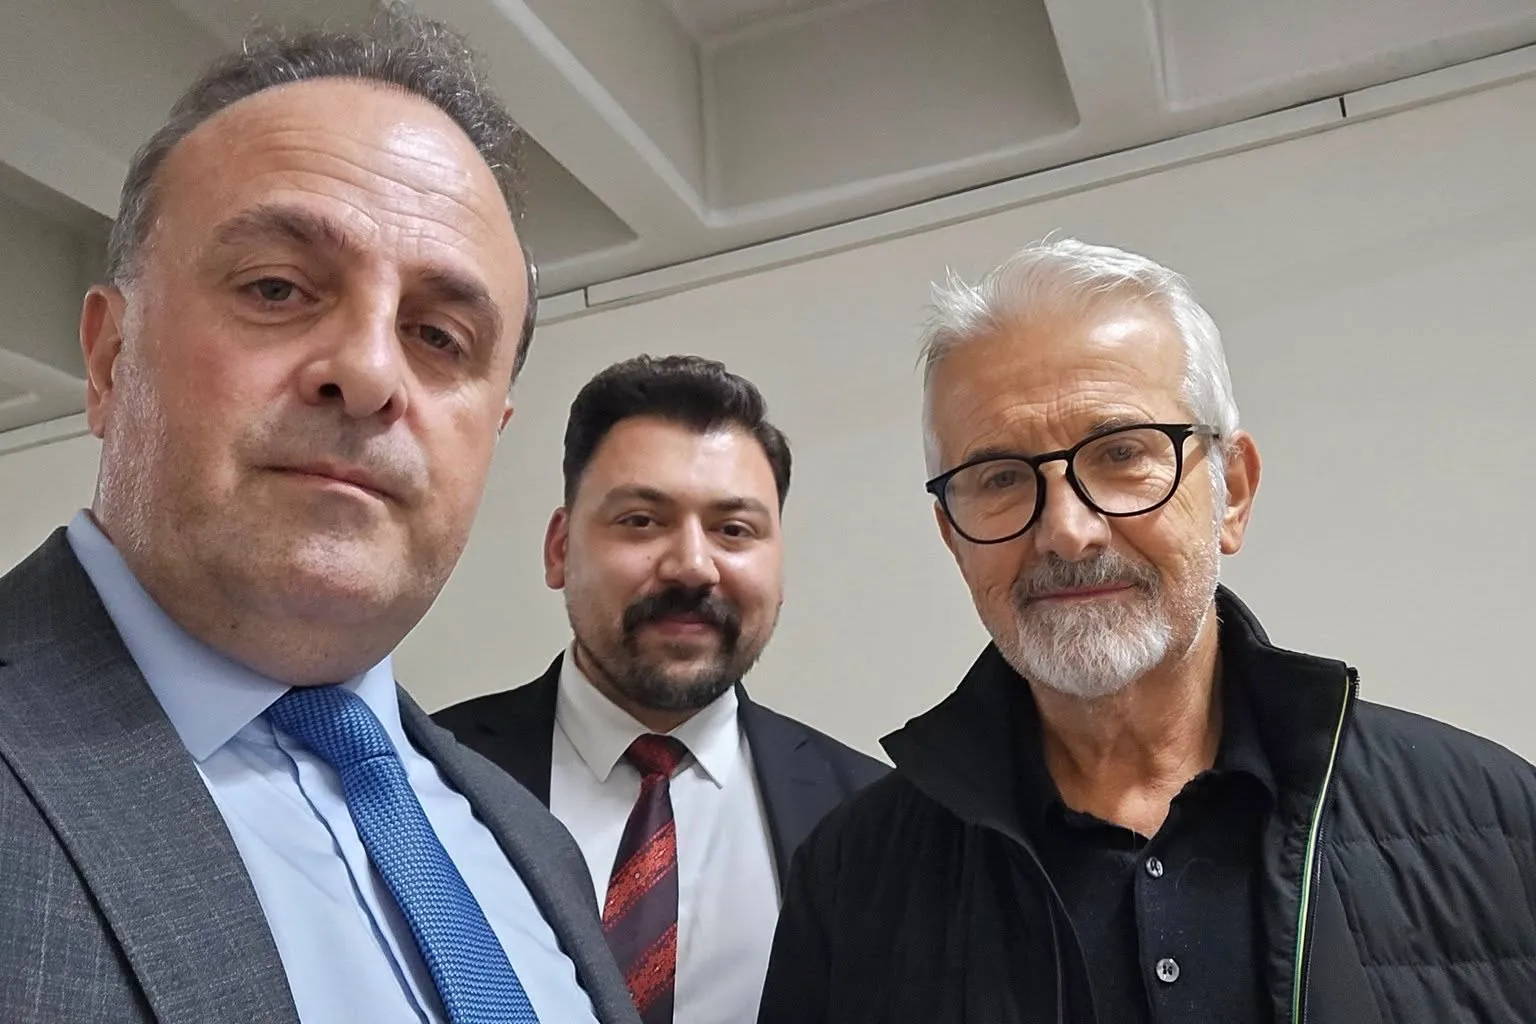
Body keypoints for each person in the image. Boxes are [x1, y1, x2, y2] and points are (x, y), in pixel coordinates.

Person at [0, 8, 640, 1024]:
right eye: (277, 288)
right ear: (111, 358)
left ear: (494, 432)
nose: (371, 372)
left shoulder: (533, 848)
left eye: (439, 335)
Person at [756, 237, 1536, 1024]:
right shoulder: (849, 879)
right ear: (953, 538)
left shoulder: (1501, 824)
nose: (1068, 532)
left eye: (1121, 452)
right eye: (1000, 478)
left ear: (1232, 492)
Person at [434, 354, 887, 1024]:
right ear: (560, 549)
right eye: (642, 521)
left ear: (779, 568)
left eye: (734, 530)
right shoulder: (427, 775)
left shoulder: (877, 819)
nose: (692, 567)